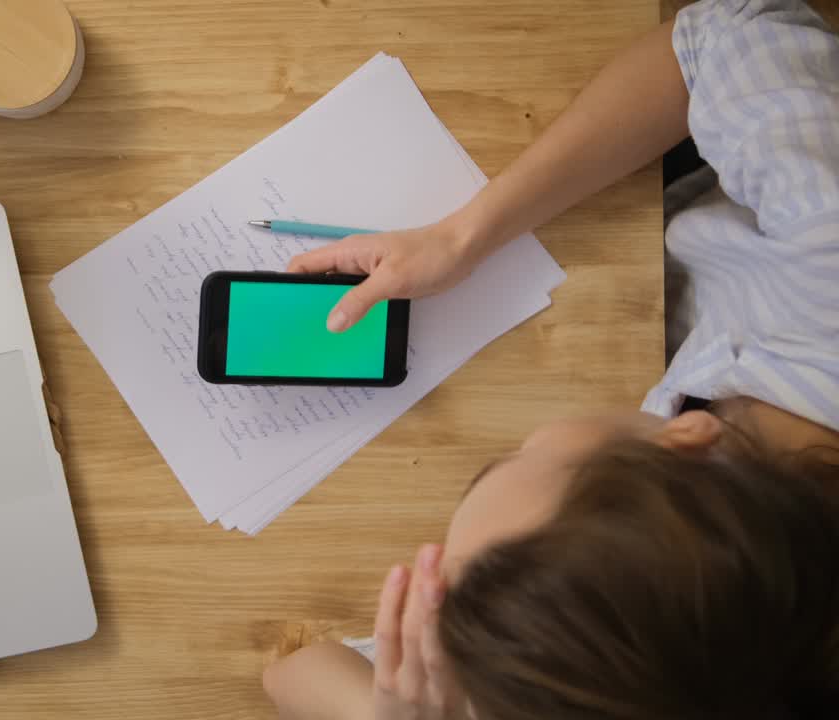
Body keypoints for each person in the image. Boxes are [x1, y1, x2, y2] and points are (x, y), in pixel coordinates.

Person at [261, 1, 839, 718]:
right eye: (513, 454)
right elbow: (722, 35)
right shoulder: (828, 252)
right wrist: (464, 234)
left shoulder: (612, 676)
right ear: (687, 441)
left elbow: (291, 676)